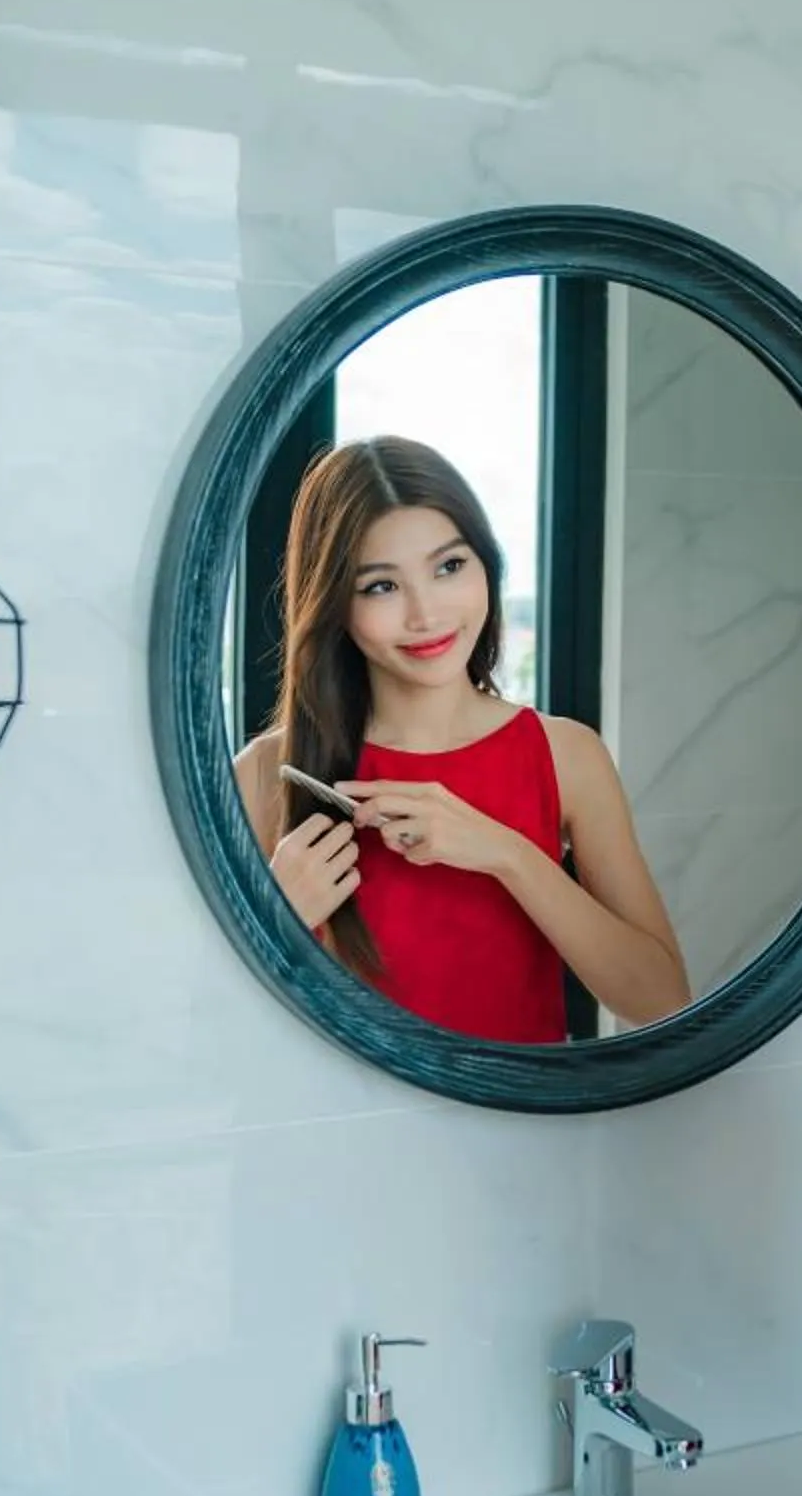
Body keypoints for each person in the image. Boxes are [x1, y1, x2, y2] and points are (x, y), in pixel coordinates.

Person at [235, 435, 687, 1043]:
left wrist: (508, 854)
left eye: (449, 567)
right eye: (381, 586)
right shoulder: (266, 771)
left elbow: (663, 1001)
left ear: (486, 566)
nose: (426, 615)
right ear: (335, 603)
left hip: (523, 1107)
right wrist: (275, 921)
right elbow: (198, 1032)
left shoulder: (567, 755)